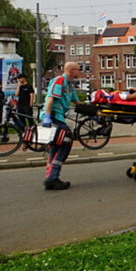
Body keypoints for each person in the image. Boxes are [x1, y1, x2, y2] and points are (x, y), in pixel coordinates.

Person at [40, 62, 83, 191]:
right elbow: (50, 98)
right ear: (71, 70)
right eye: (78, 70)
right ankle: (52, 178)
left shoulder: (69, 85)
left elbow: (77, 102)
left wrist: (93, 113)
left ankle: (51, 177)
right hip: (54, 116)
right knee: (65, 143)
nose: (79, 72)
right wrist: (47, 116)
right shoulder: (59, 80)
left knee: (56, 147)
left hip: (58, 117)